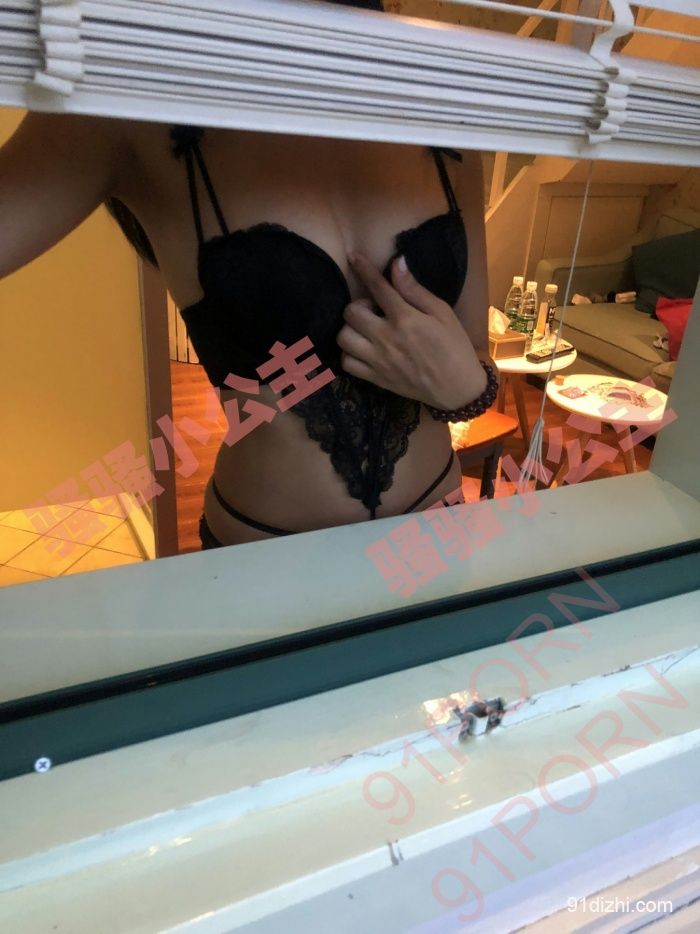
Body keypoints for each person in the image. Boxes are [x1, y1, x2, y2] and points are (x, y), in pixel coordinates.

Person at [0, 0, 496, 551]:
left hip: (435, 526)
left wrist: (469, 390)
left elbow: (476, 347)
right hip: (264, 549)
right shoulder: (127, 99)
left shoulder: (445, 112)